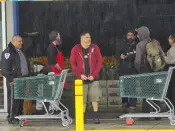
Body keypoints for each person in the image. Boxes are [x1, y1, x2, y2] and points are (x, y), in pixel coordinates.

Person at [70, 32, 102, 124]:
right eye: (87, 37)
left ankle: (96, 116)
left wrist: (94, 75)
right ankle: (82, 117)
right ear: (82, 39)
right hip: (81, 79)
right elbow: (73, 64)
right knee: (82, 99)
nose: (89, 39)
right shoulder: (76, 49)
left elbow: (99, 62)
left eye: (90, 37)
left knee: (95, 97)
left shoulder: (95, 48)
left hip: (93, 79)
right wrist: (80, 75)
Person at [135, 26, 164, 120]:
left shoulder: (140, 45)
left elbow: (137, 61)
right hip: (156, 72)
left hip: (145, 72)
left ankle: (146, 114)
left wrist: (140, 71)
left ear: (141, 34)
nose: (137, 36)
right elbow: (162, 56)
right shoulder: (156, 42)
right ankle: (157, 114)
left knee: (146, 93)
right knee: (155, 91)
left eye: (138, 34)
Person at [1, 35, 29, 124]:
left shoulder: (20, 51)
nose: (21, 43)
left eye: (22, 41)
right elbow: (5, 70)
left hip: (22, 79)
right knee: (13, 99)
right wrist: (11, 80)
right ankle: (12, 117)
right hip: (14, 81)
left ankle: (19, 115)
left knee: (20, 99)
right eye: (19, 41)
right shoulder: (7, 52)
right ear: (13, 41)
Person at [119, 30, 138, 112]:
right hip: (124, 70)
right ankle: (125, 103)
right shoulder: (122, 45)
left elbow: (138, 55)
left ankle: (133, 105)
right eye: (128, 35)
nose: (130, 36)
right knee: (124, 87)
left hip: (134, 70)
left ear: (134, 36)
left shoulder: (137, 45)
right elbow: (117, 54)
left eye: (131, 35)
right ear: (126, 37)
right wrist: (120, 56)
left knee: (133, 87)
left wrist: (129, 56)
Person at [164, 34, 175, 112]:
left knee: (172, 90)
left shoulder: (173, 49)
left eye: (169, 38)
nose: (168, 40)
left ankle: (172, 107)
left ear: (173, 39)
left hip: (173, 71)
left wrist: (163, 56)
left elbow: (171, 60)